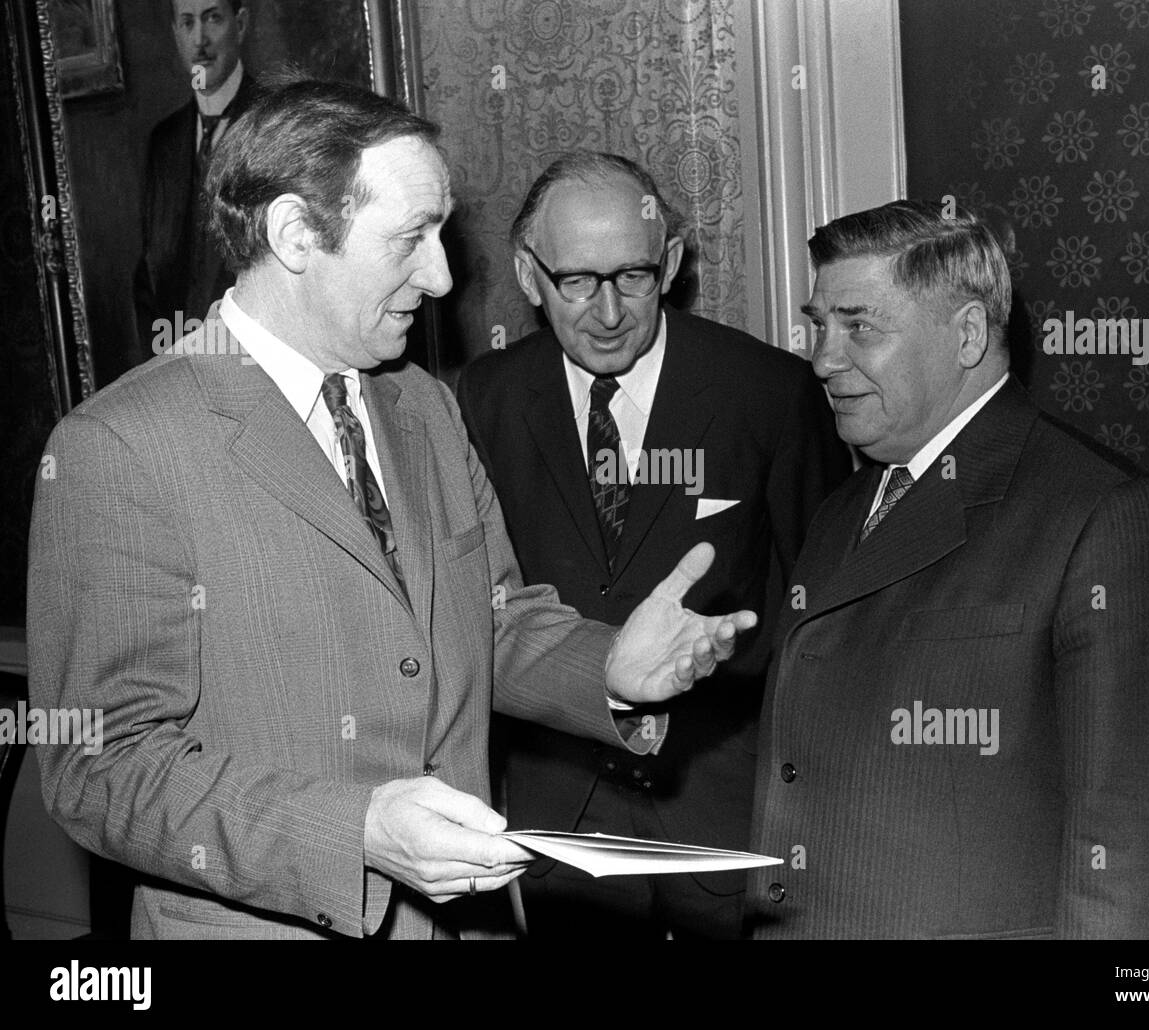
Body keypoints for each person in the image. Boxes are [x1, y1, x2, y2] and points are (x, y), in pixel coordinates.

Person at [27, 79, 757, 940]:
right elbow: (97, 764)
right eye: (411, 238)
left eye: (441, 232)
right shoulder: (120, 447)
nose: (444, 275)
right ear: (296, 234)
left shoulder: (423, 406)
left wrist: (610, 672)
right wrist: (355, 833)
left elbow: (489, 620)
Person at [748, 200, 1149, 939]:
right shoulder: (845, 506)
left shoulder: (1111, 517)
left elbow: (1136, 855)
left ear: (967, 334)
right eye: (819, 325)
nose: (823, 359)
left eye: (858, 327)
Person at [457, 153, 849, 939]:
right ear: (528, 277)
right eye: (576, 282)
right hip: (557, 824)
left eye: (633, 276)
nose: (608, 313)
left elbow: (827, 616)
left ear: (669, 264)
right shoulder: (479, 400)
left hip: (724, 813)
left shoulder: (769, 393)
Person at [134, 0, 261, 349]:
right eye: (187, 23)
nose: (199, 39)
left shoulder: (272, 122)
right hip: (179, 363)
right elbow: (149, 275)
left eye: (213, 18)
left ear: (241, 23)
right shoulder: (164, 142)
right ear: (175, 33)